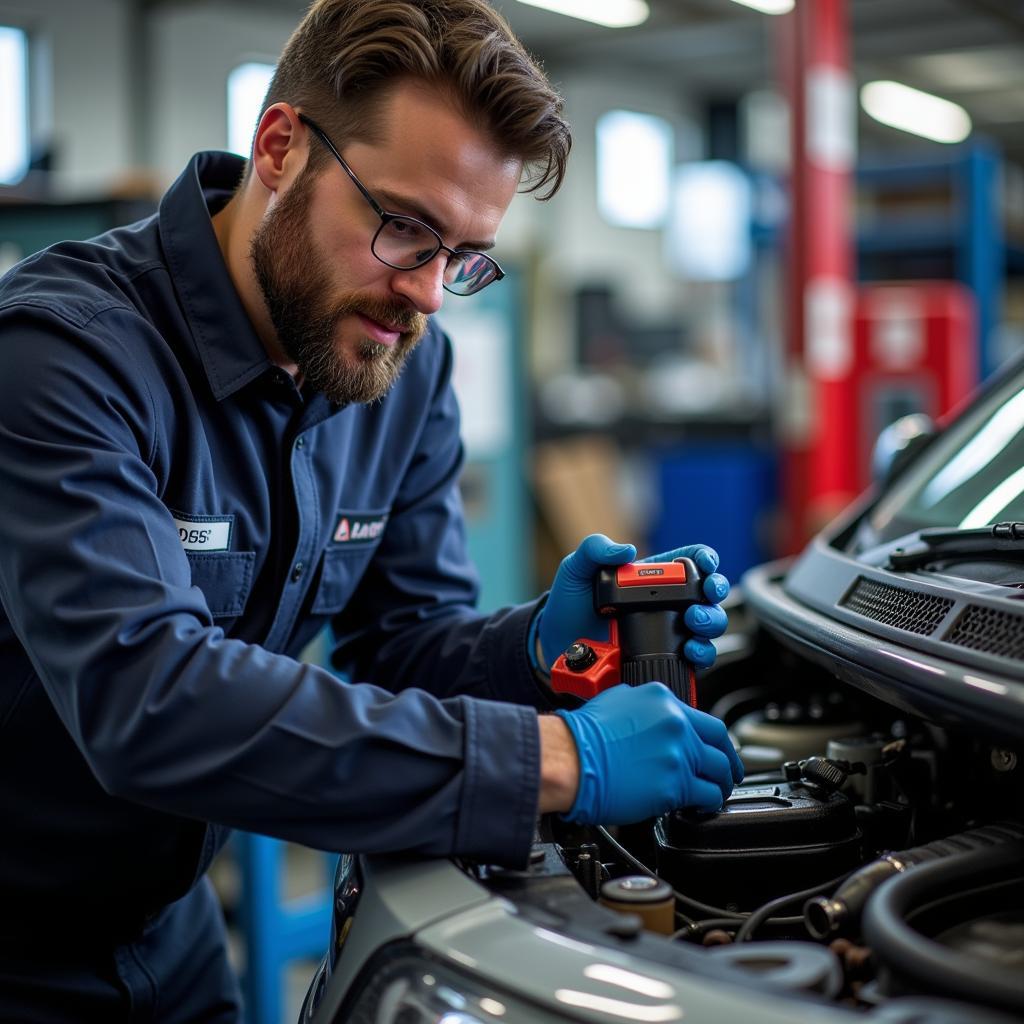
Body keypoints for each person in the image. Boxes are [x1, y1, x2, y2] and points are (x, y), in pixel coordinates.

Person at [0, 1, 742, 1019]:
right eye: (404, 228)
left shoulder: (399, 362)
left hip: (167, 934)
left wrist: (533, 650)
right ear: (279, 149)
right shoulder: (62, 358)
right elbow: (149, 700)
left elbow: (398, 647)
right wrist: (557, 759)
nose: (430, 295)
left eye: (464, 256)